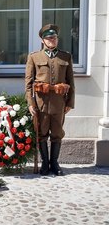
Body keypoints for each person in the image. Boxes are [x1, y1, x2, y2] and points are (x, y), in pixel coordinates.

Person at [25, 24, 75, 176]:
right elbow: (28, 84)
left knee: (57, 133)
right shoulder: (34, 57)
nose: (53, 40)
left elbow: (71, 82)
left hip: (59, 103)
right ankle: (45, 164)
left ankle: (54, 163)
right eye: (49, 38)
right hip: (42, 104)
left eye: (55, 38)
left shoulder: (66, 57)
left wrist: (70, 103)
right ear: (43, 40)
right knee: (42, 133)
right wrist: (31, 104)